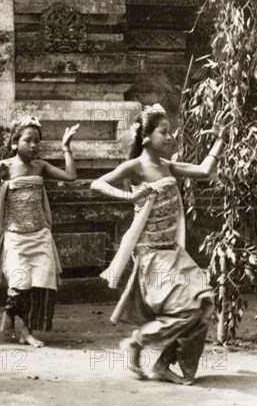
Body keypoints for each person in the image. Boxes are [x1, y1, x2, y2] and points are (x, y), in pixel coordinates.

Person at [90, 103, 226, 385]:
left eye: (169, 132)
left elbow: (204, 171)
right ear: (146, 137)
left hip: (173, 253)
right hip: (152, 255)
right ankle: (138, 342)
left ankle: (164, 364)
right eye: (163, 132)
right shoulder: (136, 166)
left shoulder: (167, 166)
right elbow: (97, 184)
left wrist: (221, 139)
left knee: (202, 306)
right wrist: (130, 197)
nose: (169, 137)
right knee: (186, 308)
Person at [0, 116, 79, 347]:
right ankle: (10, 312)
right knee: (20, 284)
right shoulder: (7, 166)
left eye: (37, 141)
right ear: (15, 142)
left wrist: (66, 148)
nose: (33, 145)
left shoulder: (40, 166)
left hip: (40, 237)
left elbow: (71, 176)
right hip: (16, 238)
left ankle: (27, 332)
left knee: (41, 286)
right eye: (28, 140)